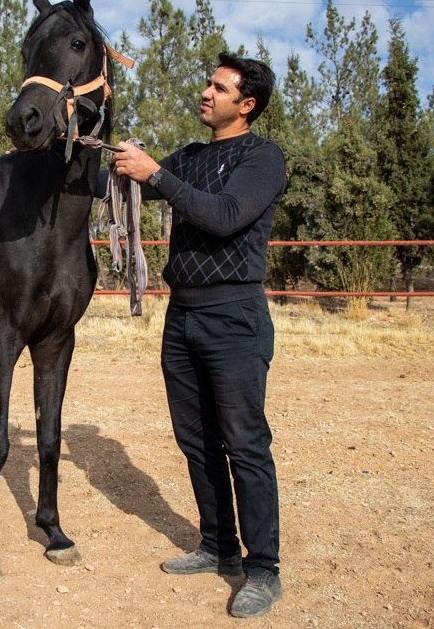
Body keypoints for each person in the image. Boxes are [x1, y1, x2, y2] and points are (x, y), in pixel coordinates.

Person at [108, 52, 287, 619]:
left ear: (247, 103)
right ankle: (217, 546)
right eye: (208, 84)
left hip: (234, 317)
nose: (206, 93)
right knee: (197, 441)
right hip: (182, 317)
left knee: (245, 445)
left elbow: (227, 213)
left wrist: (156, 173)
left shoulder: (263, 158)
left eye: (219, 87)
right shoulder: (190, 156)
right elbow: (126, 179)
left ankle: (263, 569)